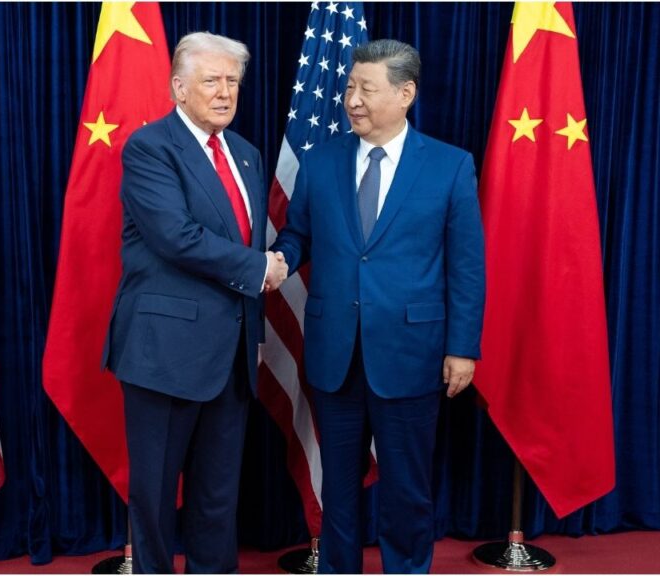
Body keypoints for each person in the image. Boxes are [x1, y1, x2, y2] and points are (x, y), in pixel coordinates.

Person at [270, 39, 485, 573]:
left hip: (412, 355)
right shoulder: (319, 163)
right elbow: (299, 237)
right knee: (337, 491)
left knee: (407, 491)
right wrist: (277, 260)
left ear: (406, 93)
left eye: (367, 88)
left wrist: (463, 348)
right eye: (349, 87)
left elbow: (465, 267)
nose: (353, 100)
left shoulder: (450, 166)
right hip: (333, 355)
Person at [101, 31, 287, 574]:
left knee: (217, 495)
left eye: (233, 81)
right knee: (156, 496)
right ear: (179, 87)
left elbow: (247, 237)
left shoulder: (248, 155)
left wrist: (253, 335)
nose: (225, 92)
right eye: (212, 80)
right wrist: (261, 269)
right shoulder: (150, 147)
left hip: (231, 355)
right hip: (164, 352)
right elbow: (175, 236)